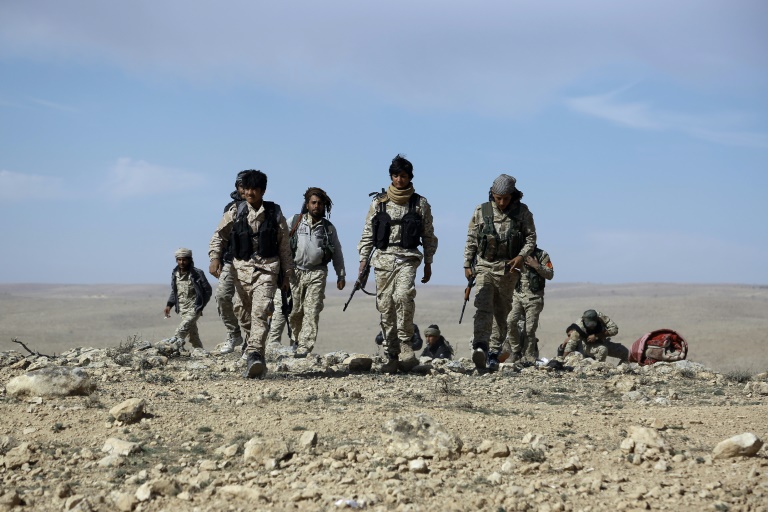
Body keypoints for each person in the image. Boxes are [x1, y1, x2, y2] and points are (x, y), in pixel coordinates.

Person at [208, 170, 295, 379]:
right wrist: (214, 258)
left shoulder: (274, 213)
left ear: (263, 190)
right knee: (241, 310)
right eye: (246, 189)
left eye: (254, 189)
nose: (250, 193)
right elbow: (219, 236)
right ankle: (252, 348)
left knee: (261, 311)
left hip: (267, 270)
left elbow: (284, 246)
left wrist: (287, 275)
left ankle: (255, 354)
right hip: (241, 271)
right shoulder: (235, 212)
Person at [357, 154, 438, 374]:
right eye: (395, 175)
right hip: (383, 260)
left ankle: (405, 343)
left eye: (403, 176)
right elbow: (367, 234)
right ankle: (391, 354)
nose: (399, 180)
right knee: (385, 306)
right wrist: (363, 262)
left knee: (403, 296)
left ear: (409, 177)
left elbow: (428, 235)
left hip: (408, 258)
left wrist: (429, 262)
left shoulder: (420, 204)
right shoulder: (379, 202)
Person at [464, 174, 536, 372]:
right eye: (498, 198)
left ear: (513, 196)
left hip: (508, 269)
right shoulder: (482, 211)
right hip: (485, 265)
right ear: (492, 195)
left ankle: (494, 353)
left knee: (501, 312)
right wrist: (467, 264)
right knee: (483, 305)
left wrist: (521, 257)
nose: (502, 202)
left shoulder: (522, 212)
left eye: (506, 198)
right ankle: (480, 346)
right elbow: (472, 238)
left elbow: (531, 238)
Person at [283, 187, 347, 357]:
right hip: (295, 273)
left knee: (311, 311)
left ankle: (305, 347)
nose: (317, 206)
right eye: (313, 202)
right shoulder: (295, 221)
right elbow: (281, 242)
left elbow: (337, 252)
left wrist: (341, 274)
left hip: (317, 273)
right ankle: (295, 342)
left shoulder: (328, 228)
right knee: (295, 311)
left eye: (320, 203)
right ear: (307, 204)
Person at [214, 172, 247, 354]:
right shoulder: (230, 207)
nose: (245, 190)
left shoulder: (264, 208)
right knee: (222, 296)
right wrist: (216, 257)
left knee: (247, 303)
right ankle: (234, 334)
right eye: (242, 186)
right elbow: (221, 234)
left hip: (253, 263)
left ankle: (252, 341)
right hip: (230, 261)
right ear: (237, 187)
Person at [505, 245, 554, 362]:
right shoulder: (516, 253)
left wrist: (536, 266)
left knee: (530, 329)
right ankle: (516, 352)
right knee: (510, 321)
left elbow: (550, 274)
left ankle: (528, 355)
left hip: (534, 298)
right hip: (518, 296)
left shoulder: (542, 255)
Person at [163, 248, 213, 349]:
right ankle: (199, 351)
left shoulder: (197, 273)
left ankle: (171, 347)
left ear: (189, 260)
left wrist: (201, 305)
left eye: (184, 260)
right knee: (193, 334)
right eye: (179, 260)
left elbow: (208, 290)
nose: (182, 262)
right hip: (182, 308)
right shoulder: (175, 273)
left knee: (182, 329)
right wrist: (169, 305)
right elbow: (175, 291)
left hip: (194, 307)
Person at [562, 309, 629, 363]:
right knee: (603, 349)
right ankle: (598, 368)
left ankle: (621, 370)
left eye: (593, 324)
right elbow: (571, 344)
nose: (591, 327)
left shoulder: (600, 317)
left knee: (626, 353)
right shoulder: (579, 326)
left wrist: (597, 336)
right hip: (587, 345)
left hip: (602, 341)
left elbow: (614, 329)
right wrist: (563, 359)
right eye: (588, 324)